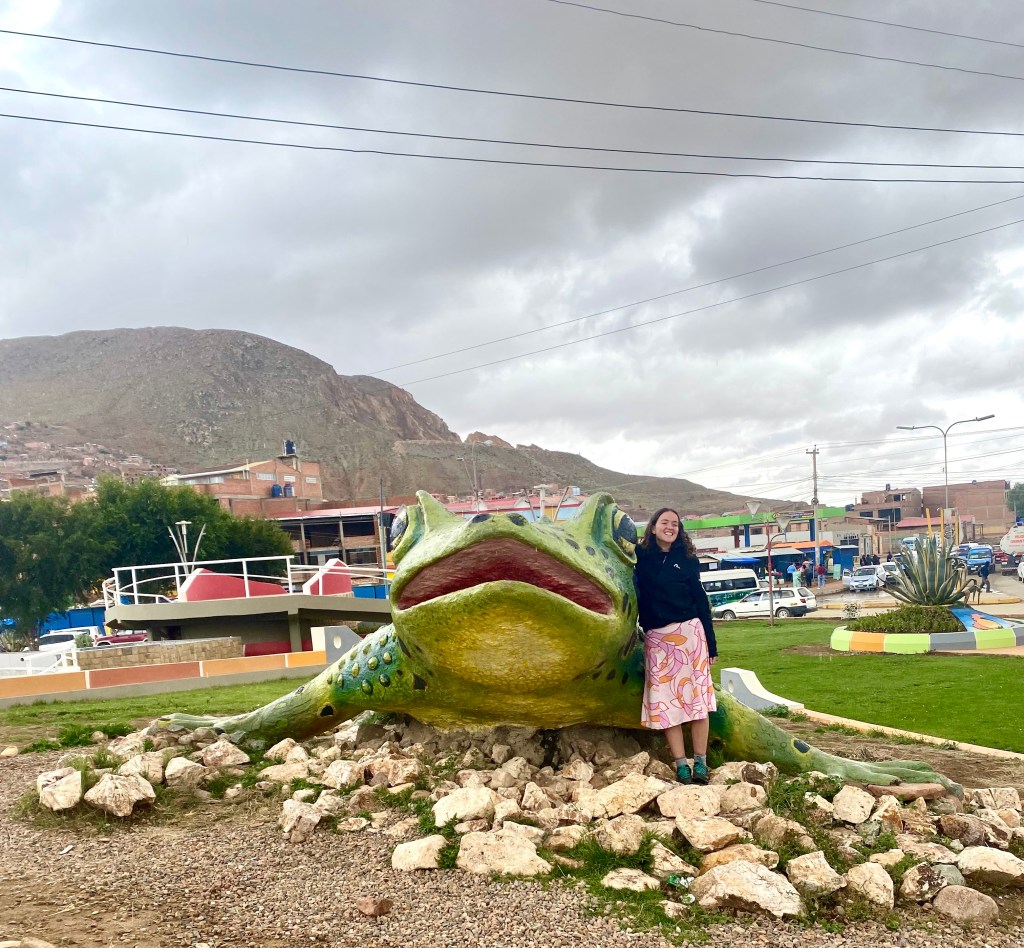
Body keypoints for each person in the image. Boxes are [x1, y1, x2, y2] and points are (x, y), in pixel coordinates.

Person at [634, 507, 717, 786]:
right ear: (653, 527)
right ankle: (681, 764)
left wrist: (711, 645)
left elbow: (701, 602)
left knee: (697, 703)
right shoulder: (640, 557)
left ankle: (701, 762)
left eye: (675, 524)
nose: (670, 527)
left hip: (690, 636)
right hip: (657, 640)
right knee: (668, 704)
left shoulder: (688, 559)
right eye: (664, 522)